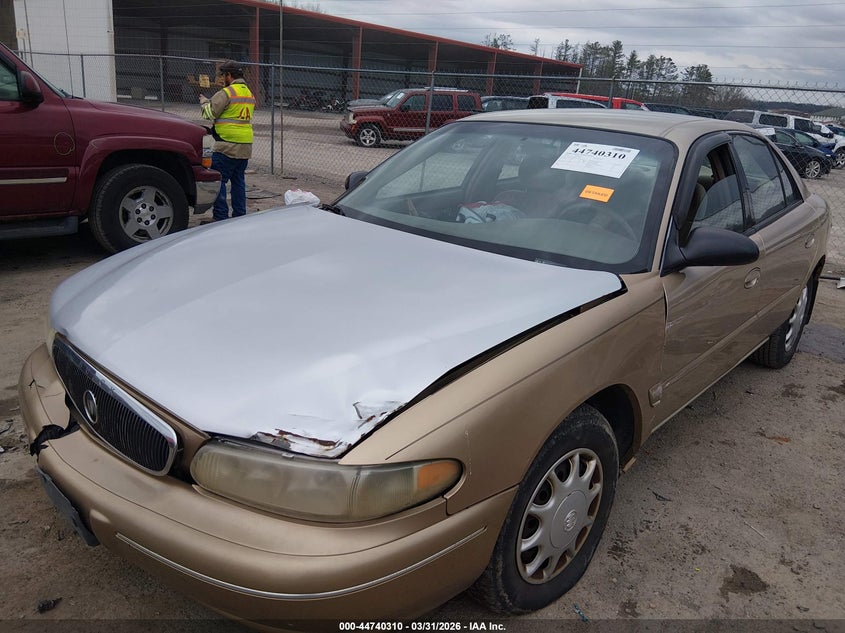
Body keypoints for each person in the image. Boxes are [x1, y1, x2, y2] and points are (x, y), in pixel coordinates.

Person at [199, 60, 255, 222]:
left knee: (219, 181)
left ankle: (221, 217)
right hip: (244, 147)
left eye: (223, 75)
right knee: (238, 182)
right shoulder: (249, 94)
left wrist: (204, 103)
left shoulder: (227, 92)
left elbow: (209, 114)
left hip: (226, 146)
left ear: (229, 75)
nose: (222, 78)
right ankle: (239, 216)